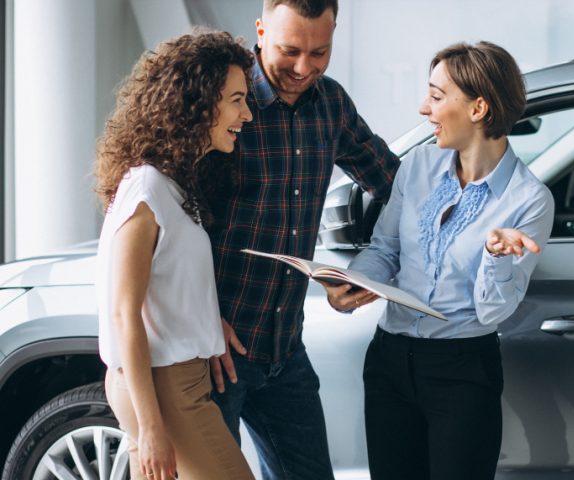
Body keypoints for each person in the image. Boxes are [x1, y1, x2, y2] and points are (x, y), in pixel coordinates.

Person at [323, 41, 555, 480]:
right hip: (389, 362)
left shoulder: (529, 201)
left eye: (435, 95)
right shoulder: (417, 167)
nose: (423, 108)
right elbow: (385, 249)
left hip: (461, 372)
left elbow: (493, 311)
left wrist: (495, 257)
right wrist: (355, 284)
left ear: (478, 108)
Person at [205, 1, 400, 479]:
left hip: (285, 349)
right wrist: (201, 318)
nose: (303, 68)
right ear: (259, 30)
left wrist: (372, 270)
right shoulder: (222, 101)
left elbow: (395, 183)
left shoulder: (331, 104)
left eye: (320, 52)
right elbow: (170, 224)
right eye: (290, 50)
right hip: (213, 352)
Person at [95, 29, 256, 480]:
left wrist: (206, 320)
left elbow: (166, 286)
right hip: (164, 390)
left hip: (174, 383)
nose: (246, 114)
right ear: (199, 102)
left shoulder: (171, 186)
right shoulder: (146, 188)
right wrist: (150, 428)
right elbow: (126, 313)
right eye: (236, 100)